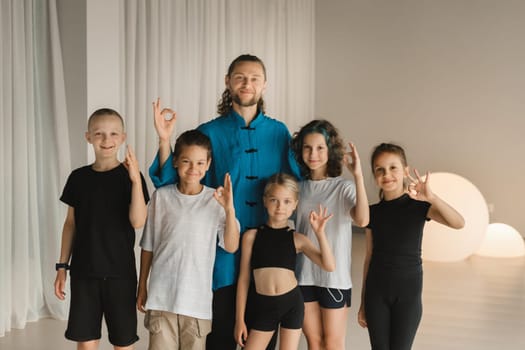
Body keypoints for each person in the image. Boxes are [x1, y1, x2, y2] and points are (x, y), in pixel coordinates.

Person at [149, 54, 300, 350]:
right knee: (219, 333)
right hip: (220, 248)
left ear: (265, 86)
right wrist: (165, 140)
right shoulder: (210, 131)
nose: (247, 84)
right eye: (241, 77)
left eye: (255, 78)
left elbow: (296, 183)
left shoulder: (279, 132)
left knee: (262, 334)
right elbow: (173, 182)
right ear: (228, 82)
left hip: (267, 248)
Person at [54, 108, 149, 350]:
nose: (106, 140)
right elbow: (70, 224)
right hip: (84, 273)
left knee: (123, 342)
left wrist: (135, 180)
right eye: (99, 134)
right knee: (86, 342)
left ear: (123, 137)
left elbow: (138, 222)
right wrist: (62, 266)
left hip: (121, 275)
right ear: (88, 137)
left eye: (113, 134)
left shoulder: (132, 177)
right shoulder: (78, 178)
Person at [137, 129, 240, 350]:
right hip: (161, 300)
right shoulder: (161, 197)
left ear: (209, 164)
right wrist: (142, 286)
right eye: (186, 161)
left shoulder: (216, 201)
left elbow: (231, 246)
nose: (194, 169)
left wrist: (229, 210)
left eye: (200, 163)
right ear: (175, 162)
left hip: (197, 305)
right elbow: (148, 246)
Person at [358, 143, 465, 350]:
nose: (386, 174)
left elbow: (459, 223)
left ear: (406, 171)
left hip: (408, 296)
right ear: (374, 175)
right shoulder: (372, 213)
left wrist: (432, 197)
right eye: (379, 169)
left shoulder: (419, 207)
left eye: (393, 167)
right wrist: (363, 302)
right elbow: (369, 256)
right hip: (376, 294)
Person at [290, 119, 369, 350]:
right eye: (307, 147)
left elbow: (363, 220)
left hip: (334, 279)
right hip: (303, 275)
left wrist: (358, 177)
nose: (313, 154)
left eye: (320, 148)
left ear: (330, 150)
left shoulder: (342, 187)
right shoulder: (299, 188)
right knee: (314, 342)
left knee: (333, 343)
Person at [234, 173, 336, 350]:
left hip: (292, 304)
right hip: (263, 306)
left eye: (287, 201)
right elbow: (243, 279)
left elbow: (329, 265)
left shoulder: (297, 239)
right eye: (274, 200)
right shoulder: (251, 236)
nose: (280, 206)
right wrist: (239, 320)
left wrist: (320, 233)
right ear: (265, 201)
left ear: (295, 204)